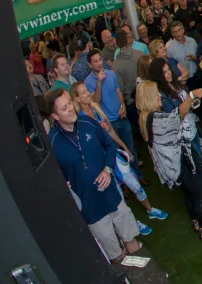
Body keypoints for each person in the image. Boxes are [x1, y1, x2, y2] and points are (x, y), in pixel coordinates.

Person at [45, 89, 143, 263]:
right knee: (117, 256)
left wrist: (107, 169)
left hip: (112, 196)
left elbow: (110, 146)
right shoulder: (52, 143)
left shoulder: (88, 122)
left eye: (70, 103)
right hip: (90, 208)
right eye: (64, 108)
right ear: (55, 116)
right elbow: (56, 178)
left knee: (131, 242)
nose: (70, 109)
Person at [70, 83, 166, 234]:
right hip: (100, 163)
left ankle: (150, 209)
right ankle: (134, 223)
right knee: (118, 195)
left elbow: (110, 132)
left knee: (134, 184)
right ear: (76, 98)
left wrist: (124, 147)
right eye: (83, 93)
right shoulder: (78, 120)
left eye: (86, 90)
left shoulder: (95, 108)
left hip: (113, 154)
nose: (87, 94)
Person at [137, 81, 202, 240]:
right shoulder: (154, 118)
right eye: (155, 93)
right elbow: (176, 117)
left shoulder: (146, 117)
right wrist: (191, 95)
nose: (158, 95)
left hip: (174, 164)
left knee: (190, 193)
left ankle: (196, 221)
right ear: (148, 97)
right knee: (197, 193)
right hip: (179, 162)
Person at [148, 59, 202, 213]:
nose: (169, 73)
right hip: (182, 138)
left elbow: (186, 106)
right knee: (197, 169)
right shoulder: (161, 94)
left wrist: (193, 100)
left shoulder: (174, 84)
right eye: (164, 72)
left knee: (201, 166)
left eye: (168, 69)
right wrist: (191, 96)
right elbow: (177, 114)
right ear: (158, 76)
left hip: (191, 129)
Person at [82, 49, 143, 181]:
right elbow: (96, 102)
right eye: (95, 61)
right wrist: (98, 82)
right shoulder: (87, 83)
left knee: (130, 149)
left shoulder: (111, 74)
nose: (99, 63)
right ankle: (124, 185)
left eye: (100, 60)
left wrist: (122, 106)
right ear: (90, 65)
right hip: (108, 124)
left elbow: (119, 93)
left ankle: (139, 176)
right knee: (116, 154)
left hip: (121, 117)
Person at [166, 22, 198, 86]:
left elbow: (199, 57)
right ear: (172, 34)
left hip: (196, 75)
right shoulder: (170, 50)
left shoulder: (192, 41)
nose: (178, 34)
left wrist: (195, 58)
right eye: (175, 32)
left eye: (179, 30)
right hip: (183, 81)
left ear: (183, 30)